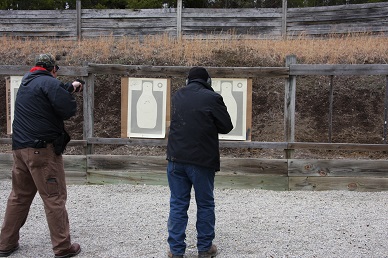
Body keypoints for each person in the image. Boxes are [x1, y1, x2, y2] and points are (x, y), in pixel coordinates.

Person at [0, 54, 83, 258]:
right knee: (54, 197)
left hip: (20, 150)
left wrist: (68, 87)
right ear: (53, 69)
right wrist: (71, 92)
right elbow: (67, 109)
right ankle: (63, 247)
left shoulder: (28, 82)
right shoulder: (49, 82)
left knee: (19, 197)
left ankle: (5, 244)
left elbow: (48, 96)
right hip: (42, 152)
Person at [166, 67, 233, 258]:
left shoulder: (178, 95)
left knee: (178, 204)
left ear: (188, 81)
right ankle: (204, 248)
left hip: (175, 158)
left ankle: (176, 251)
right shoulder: (212, 98)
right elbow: (227, 126)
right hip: (201, 160)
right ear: (208, 81)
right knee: (204, 204)